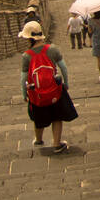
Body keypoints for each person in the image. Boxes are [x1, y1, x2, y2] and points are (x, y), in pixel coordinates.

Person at [18, 21, 76, 153]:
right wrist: (65, 84)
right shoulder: (52, 49)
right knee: (57, 116)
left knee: (38, 117)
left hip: (37, 93)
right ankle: (56, 144)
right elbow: (64, 68)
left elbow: (23, 78)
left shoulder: (27, 56)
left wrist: (24, 94)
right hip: (55, 90)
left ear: (29, 38)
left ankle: (38, 139)